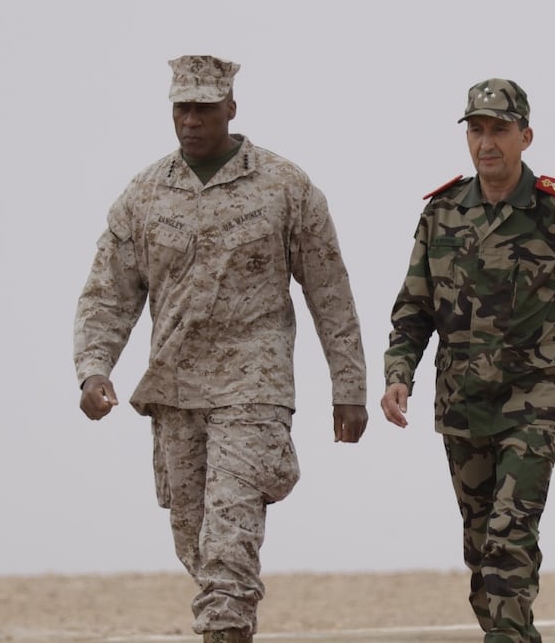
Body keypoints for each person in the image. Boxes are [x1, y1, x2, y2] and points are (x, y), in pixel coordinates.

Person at [72, 55, 369, 643]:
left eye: (204, 109)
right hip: (175, 392)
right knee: (197, 544)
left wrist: (349, 386)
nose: (191, 121)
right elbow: (109, 293)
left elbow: (329, 290)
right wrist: (93, 368)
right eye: (182, 108)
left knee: (230, 541)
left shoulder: (284, 186)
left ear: (230, 108)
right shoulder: (144, 195)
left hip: (253, 389)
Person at [380, 78, 555, 643]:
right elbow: (414, 308)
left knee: (511, 535)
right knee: (481, 546)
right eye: (477, 130)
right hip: (462, 403)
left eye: (499, 130)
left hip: (533, 401)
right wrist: (398, 374)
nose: (486, 142)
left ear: (525, 136)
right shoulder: (441, 213)